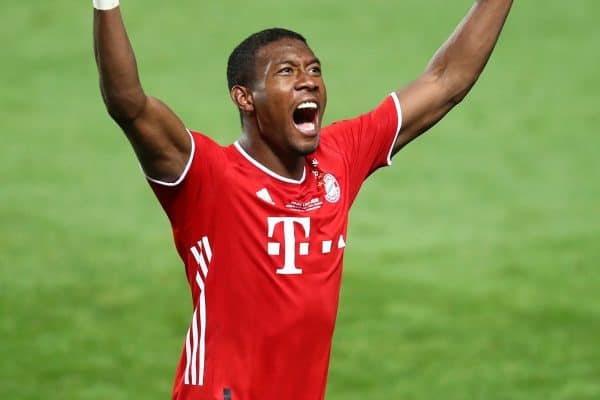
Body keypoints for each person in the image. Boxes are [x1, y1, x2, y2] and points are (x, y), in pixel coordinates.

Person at [93, 0, 513, 399]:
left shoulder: (340, 156)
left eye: (314, 69)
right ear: (245, 97)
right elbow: (129, 104)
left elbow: (445, 81)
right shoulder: (208, 176)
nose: (308, 80)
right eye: (286, 72)